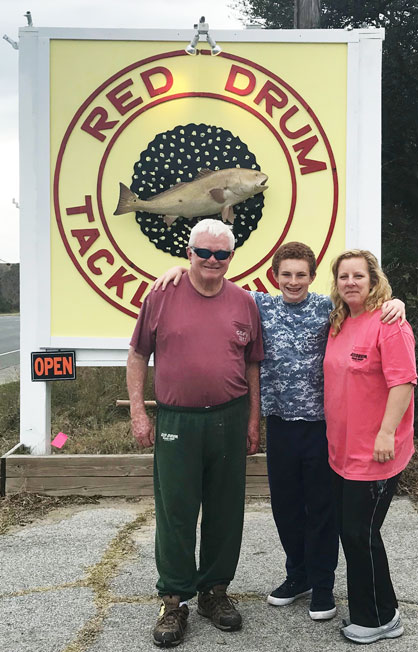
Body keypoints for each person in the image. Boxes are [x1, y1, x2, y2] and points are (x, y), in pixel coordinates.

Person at [154, 242, 405, 623]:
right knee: (286, 508)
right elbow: (212, 279)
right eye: (286, 274)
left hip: (322, 426)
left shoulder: (328, 309)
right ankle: (298, 575)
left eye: (301, 274)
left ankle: (322, 584)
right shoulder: (259, 305)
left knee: (320, 511)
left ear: (312, 276)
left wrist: (397, 302)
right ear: (275, 276)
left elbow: (367, 306)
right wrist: (178, 269)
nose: (293, 281)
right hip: (281, 425)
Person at [127, 218, 263, 648]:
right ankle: (173, 600)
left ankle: (214, 592)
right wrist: (138, 412)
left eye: (221, 254)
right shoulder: (162, 295)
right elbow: (137, 355)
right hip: (177, 421)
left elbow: (252, 365)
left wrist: (253, 420)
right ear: (188, 253)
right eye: (203, 252)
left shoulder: (244, 302)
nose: (211, 260)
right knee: (176, 512)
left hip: (229, 416)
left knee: (225, 510)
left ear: (231, 258)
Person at [323, 249, 417, 645]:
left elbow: (403, 382)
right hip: (342, 453)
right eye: (343, 276)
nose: (350, 283)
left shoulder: (390, 324)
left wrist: (385, 434)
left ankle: (379, 617)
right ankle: (375, 606)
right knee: (354, 533)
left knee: (360, 534)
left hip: (375, 454)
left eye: (358, 276)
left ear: (373, 279)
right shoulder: (340, 322)